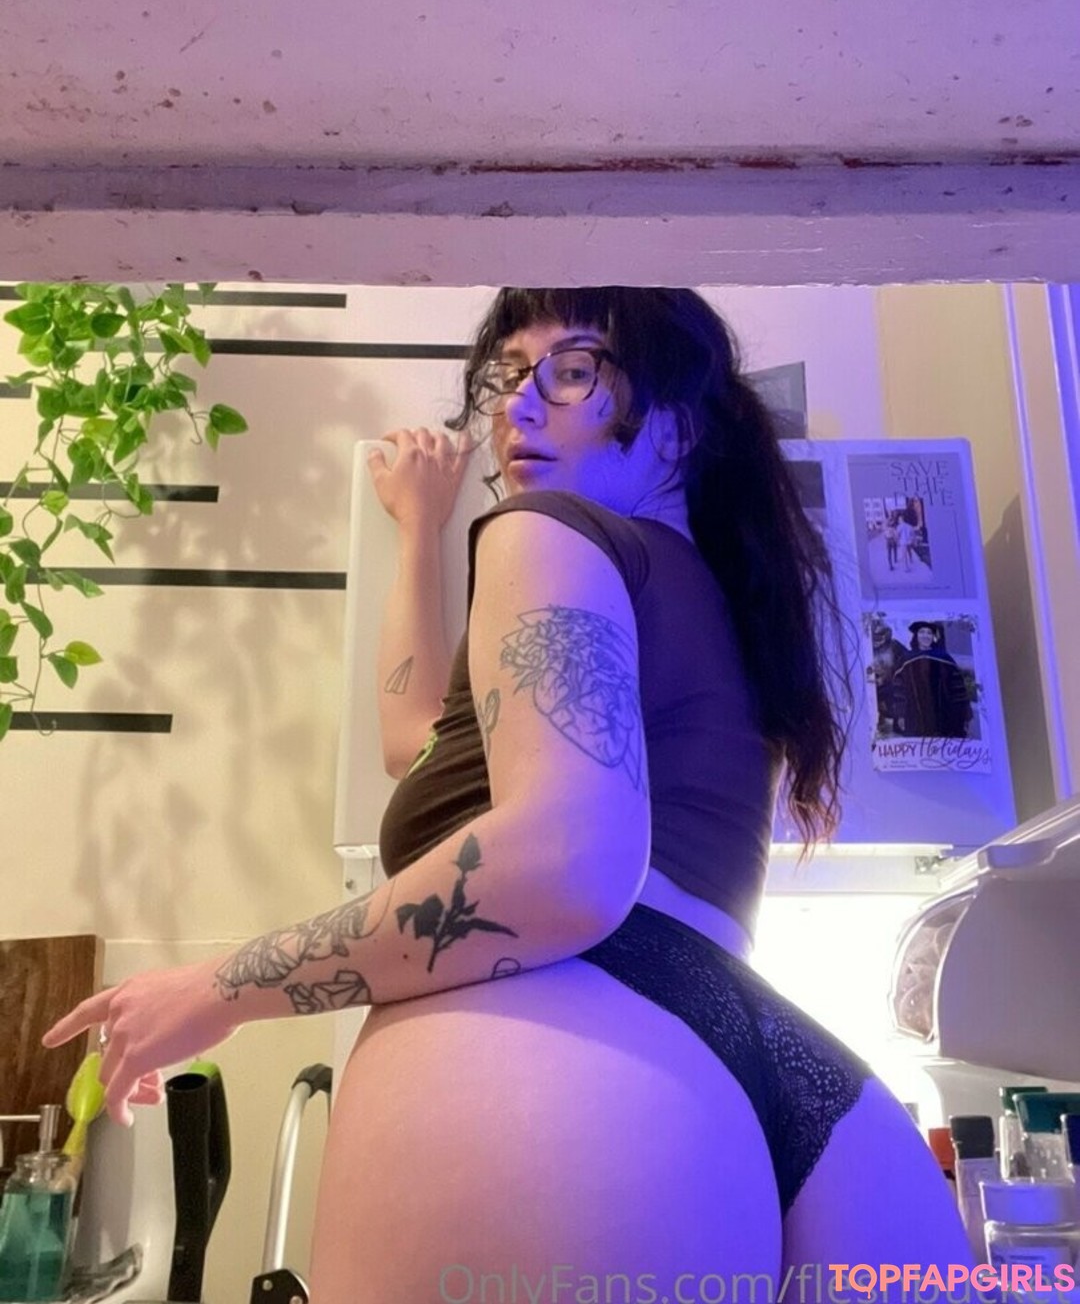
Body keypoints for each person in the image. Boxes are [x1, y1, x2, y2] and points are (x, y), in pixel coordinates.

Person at [44, 289, 971, 1302]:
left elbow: (560, 861)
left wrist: (215, 990)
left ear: (678, 426)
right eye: (511, 373)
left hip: (567, 1067)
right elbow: (419, 746)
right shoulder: (721, 612)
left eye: (572, 370)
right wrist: (419, 531)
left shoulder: (549, 531)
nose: (518, 405)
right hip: (799, 1097)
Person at [894, 620, 973, 739]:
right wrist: (900, 715)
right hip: (915, 716)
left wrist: (965, 714)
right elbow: (899, 690)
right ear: (916, 636)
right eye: (922, 632)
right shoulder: (906, 660)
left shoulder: (944, 658)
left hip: (945, 716)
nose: (925, 636)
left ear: (933, 637)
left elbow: (958, 688)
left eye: (929, 633)